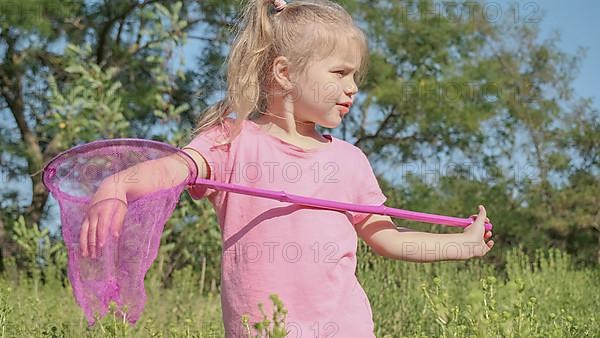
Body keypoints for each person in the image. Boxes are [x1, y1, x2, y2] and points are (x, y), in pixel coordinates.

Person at [80, 0, 494, 336]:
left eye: (356, 76)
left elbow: (388, 239)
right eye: (339, 73)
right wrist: (117, 185)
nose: (353, 87)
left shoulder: (350, 162)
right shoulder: (232, 140)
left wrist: (464, 245)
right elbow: (174, 169)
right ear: (284, 73)